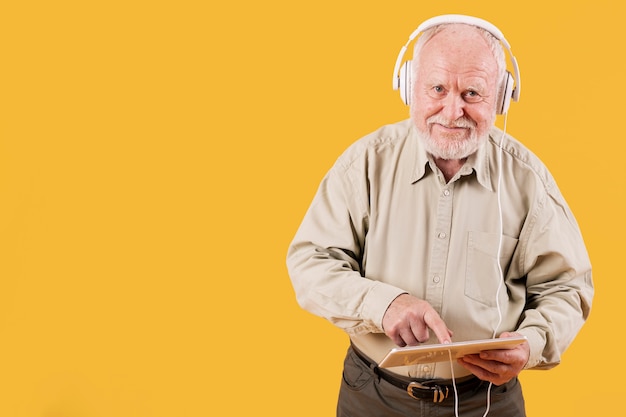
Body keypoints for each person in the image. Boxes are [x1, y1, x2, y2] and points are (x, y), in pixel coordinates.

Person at [286, 14, 593, 417]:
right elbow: (310, 262)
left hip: (485, 401)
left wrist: (532, 343)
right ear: (409, 86)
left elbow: (566, 289)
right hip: (372, 396)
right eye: (437, 88)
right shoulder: (365, 163)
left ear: (500, 98)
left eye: (472, 93)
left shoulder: (528, 180)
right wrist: (383, 303)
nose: (452, 111)